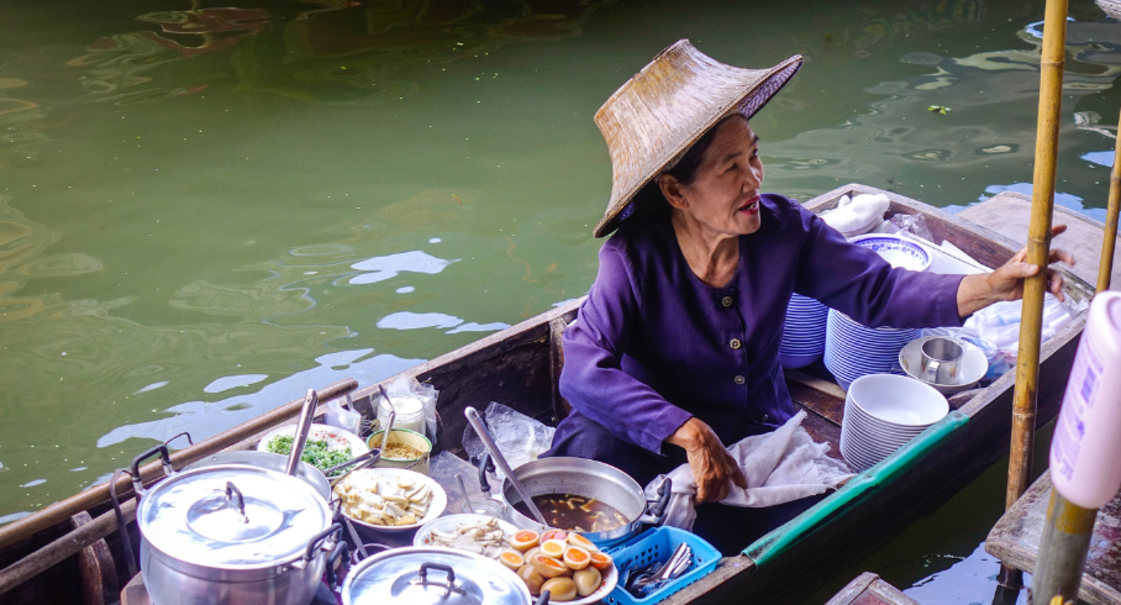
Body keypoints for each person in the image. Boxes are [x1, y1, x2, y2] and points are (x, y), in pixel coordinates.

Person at [542, 40, 1073, 554]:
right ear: (676, 192)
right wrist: (687, 431)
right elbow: (584, 369)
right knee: (586, 507)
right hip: (648, 431)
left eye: (753, 156)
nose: (753, 179)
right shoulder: (633, 258)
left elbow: (879, 292)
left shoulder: (783, 229)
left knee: (803, 534)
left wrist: (992, 286)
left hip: (752, 430)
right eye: (729, 168)